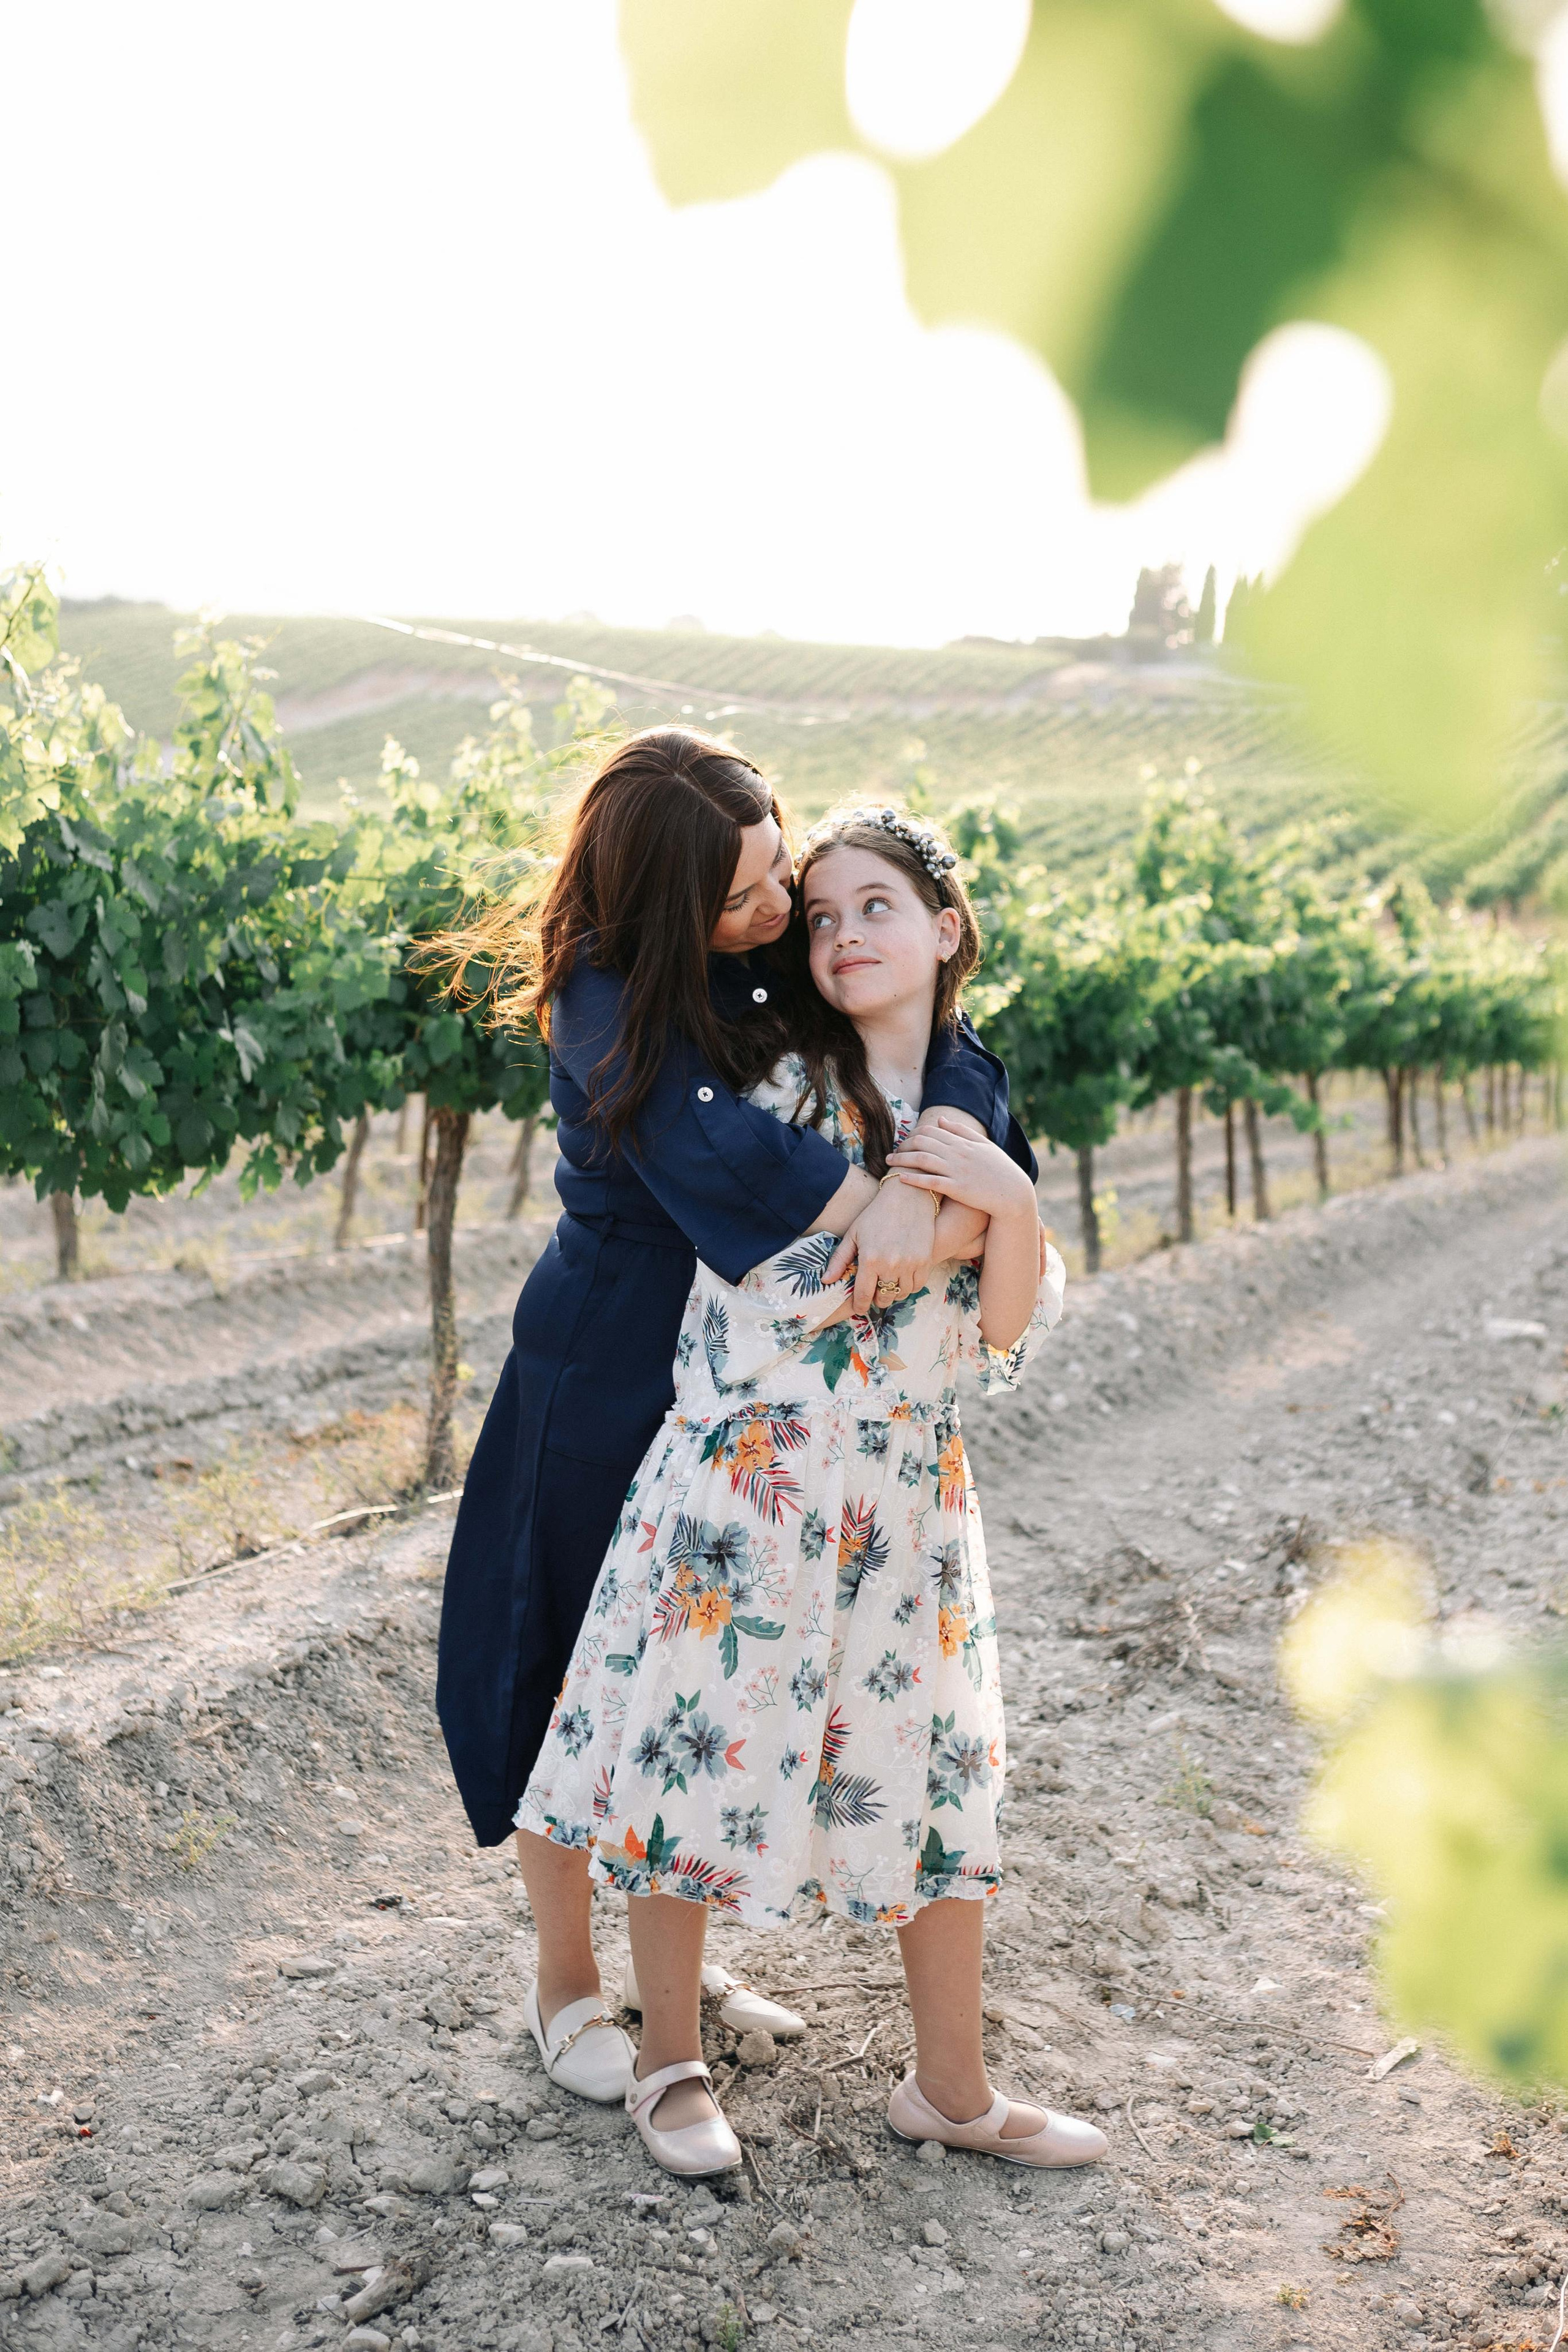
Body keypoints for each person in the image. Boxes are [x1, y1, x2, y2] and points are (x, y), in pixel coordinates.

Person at [433, 731, 1035, 2103]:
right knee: (572, 1665)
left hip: (742, 1364)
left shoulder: (769, 948)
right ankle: (567, 1980)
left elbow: (945, 1059)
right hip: (610, 1353)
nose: (777, 912)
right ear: (666, 907)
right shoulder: (602, 991)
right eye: (746, 894)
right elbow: (725, 1154)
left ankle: (677, 1969)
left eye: (779, 869)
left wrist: (940, 1189)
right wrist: (909, 1209)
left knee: (676, 1684)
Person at [519, 805, 1109, 2178]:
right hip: (754, 1482)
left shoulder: (968, 1111)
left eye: (875, 908)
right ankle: (670, 2059)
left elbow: (1008, 1329)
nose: (838, 932)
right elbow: (798, 1282)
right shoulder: (769, 1076)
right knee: (692, 1763)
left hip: (908, 1495)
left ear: (945, 932)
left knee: (935, 1780)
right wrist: (942, 1216)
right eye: (821, 912)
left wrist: (995, 1211)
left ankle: (949, 2087)